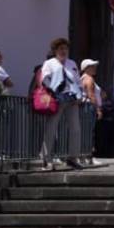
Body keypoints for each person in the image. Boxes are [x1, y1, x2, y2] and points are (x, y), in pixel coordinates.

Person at [38, 38, 85, 171]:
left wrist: (81, 95)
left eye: (65, 48)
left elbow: (77, 80)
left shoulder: (72, 63)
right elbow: (45, 79)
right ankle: (46, 159)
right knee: (51, 129)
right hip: (57, 99)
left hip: (72, 99)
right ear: (55, 51)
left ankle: (72, 158)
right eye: (60, 49)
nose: (63, 51)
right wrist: (54, 94)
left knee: (76, 129)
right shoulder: (49, 63)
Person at [79, 59, 103, 166]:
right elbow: (91, 95)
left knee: (85, 132)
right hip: (89, 107)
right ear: (86, 68)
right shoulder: (89, 79)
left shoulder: (83, 78)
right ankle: (89, 157)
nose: (95, 68)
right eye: (92, 66)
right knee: (89, 132)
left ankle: (84, 156)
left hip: (85, 107)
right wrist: (98, 109)